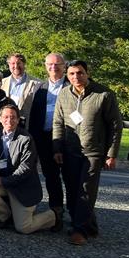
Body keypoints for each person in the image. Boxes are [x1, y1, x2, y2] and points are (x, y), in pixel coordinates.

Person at [52, 60, 122, 245]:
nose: (76, 77)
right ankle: (87, 225)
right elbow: (58, 122)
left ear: (87, 72)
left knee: (86, 191)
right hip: (69, 150)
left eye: (80, 73)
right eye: (72, 74)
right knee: (72, 189)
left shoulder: (104, 94)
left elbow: (115, 126)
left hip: (93, 152)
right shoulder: (64, 94)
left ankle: (79, 230)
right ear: (67, 76)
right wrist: (57, 148)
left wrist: (111, 154)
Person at [0, 104, 57, 234]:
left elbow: (25, 169)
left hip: (22, 187)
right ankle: (5, 216)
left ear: (18, 120)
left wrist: (3, 181)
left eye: (13, 117)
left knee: (23, 228)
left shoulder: (26, 139)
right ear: (0, 119)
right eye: (5, 117)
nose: (9, 121)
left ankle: (53, 216)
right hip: (5, 183)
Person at [28, 53, 67, 225]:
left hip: (67, 139)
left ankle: (79, 214)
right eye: (50, 64)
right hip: (43, 138)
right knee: (51, 176)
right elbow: (34, 116)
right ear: (45, 66)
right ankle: (56, 212)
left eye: (57, 64)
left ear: (64, 66)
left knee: (71, 178)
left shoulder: (70, 86)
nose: (53, 67)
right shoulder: (40, 88)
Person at [1, 53, 41, 129]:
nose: (16, 66)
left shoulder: (37, 83)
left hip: (27, 126)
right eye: (13, 63)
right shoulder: (2, 83)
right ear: (9, 65)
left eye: (19, 63)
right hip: (7, 125)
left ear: (24, 64)